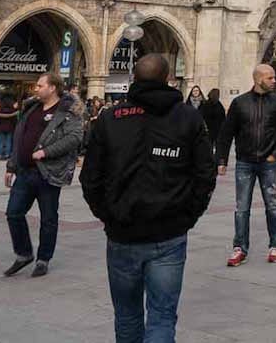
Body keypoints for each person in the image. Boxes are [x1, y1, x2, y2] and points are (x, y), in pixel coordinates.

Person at [81, 53, 217, 343]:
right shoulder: (188, 116)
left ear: (134, 79)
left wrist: (108, 214)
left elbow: (90, 177)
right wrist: (187, 216)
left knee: (127, 316)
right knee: (162, 316)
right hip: (168, 234)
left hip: (122, 234)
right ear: (168, 78)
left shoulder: (110, 118)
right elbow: (205, 174)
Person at [3, 72, 85, 277]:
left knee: (48, 218)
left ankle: (43, 259)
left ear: (52, 88)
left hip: (48, 172)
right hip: (24, 171)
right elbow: (19, 138)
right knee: (13, 213)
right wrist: (11, 166)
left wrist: (46, 152)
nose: (36, 89)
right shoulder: (31, 108)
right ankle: (23, 254)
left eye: (40, 85)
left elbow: (74, 138)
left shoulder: (67, 111)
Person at [216, 64, 276, 267]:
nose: (274, 81)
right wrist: (221, 160)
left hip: (268, 162)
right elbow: (226, 133)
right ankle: (240, 247)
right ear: (258, 79)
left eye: (274, 77)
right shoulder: (239, 103)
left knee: (272, 204)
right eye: (270, 78)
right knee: (242, 207)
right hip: (245, 162)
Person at [199, 88, 225, 158]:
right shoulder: (217, 105)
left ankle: (211, 160)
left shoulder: (210, 104)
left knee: (211, 147)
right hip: (213, 129)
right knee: (214, 147)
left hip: (212, 129)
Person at [0, 94, 19, 161]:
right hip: (10, 127)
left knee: (0, 141)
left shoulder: (0, 109)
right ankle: (7, 155)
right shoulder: (13, 109)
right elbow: (14, 119)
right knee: (8, 141)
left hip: (0, 127)